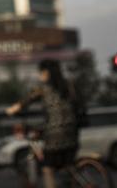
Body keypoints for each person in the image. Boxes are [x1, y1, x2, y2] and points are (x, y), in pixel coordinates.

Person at [6, 60, 79, 188]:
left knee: (47, 168)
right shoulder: (69, 85)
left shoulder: (43, 88)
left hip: (56, 134)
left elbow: (27, 100)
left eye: (40, 72)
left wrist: (12, 109)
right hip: (73, 130)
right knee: (67, 164)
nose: (39, 75)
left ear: (46, 72)